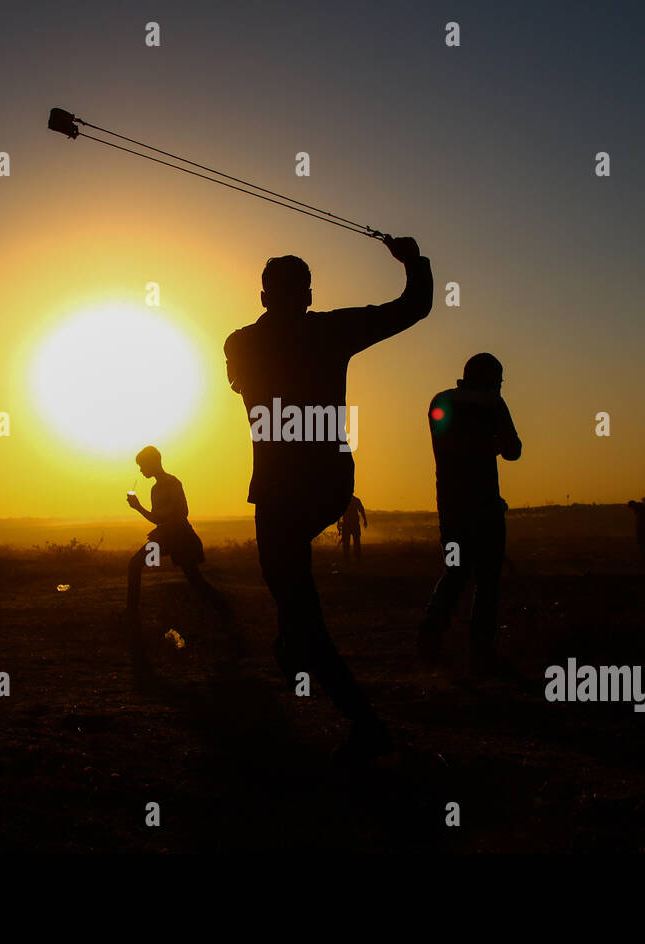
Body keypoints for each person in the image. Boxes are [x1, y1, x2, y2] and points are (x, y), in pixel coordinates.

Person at [224, 234, 432, 765]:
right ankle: (293, 648)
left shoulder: (241, 343)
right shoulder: (331, 330)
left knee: (295, 600)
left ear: (265, 296)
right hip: (328, 483)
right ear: (309, 295)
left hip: (278, 488)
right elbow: (414, 307)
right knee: (291, 593)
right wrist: (411, 261)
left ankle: (363, 722)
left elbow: (239, 386)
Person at [416, 353, 522, 675]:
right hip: (486, 506)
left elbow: (447, 445)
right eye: (499, 380)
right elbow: (514, 450)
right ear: (491, 379)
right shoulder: (492, 405)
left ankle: (430, 640)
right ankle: (480, 651)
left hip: (451, 506)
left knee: (455, 573)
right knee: (488, 581)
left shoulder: (442, 400)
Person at [125, 446, 227, 621]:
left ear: (153, 462)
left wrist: (140, 508)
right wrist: (139, 508)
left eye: (142, 465)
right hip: (166, 537)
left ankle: (225, 609)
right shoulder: (155, 489)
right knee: (135, 564)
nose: (141, 470)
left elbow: (182, 512)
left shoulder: (173, 483)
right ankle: (131, 613)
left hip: (180, 538)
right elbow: (158, 519)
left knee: (194, 578)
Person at [337, 495, 368, 561]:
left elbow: (361, 510)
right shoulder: (355, 500)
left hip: (351, 524)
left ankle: (353, 556)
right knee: (349, 542)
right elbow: (361, 510)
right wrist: (365, 520)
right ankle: (351, 556)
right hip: (350, 524)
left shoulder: (347, 500)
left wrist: (365, 520)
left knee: (352, 542)